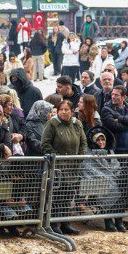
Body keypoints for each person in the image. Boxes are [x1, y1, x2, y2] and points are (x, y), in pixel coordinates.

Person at [41, 99, 86, 235]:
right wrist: (56, 157)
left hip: (73, 167)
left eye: (66, 109)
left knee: (68, 196)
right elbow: (45, 144)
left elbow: (83, 142)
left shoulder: (77, 124)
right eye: (61, 109)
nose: (63, 112)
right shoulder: (52, 124)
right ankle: (54, 223)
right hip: (58, 167)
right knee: (57, 197)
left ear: (71, 111)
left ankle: (65, 222)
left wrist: (80, 157)